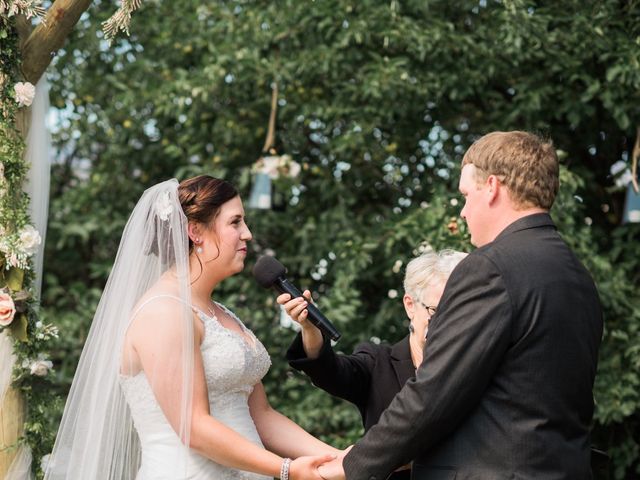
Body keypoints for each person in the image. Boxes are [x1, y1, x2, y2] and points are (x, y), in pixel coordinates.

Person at [319, 131, 604, 479]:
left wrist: (352, 465)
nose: (465, 211)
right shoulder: (577, 275)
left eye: (466, 196)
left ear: (493, 187)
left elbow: (435, 393)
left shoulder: (490, 268)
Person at [45, 175, 338, 480]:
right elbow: (193, 426)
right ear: (196, 231)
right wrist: (286, 469)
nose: (247, 234)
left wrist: (336, 458)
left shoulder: (219, 313)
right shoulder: (163, 311)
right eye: (235, 222)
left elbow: (260, 415)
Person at [279, 250, 467, 480]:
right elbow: (330, 372)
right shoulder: (379, 363)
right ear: (410, 305)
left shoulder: (476, 362)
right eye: (437, 311)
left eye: (458, 311)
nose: (448, 322)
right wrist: (311, 329)